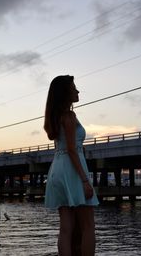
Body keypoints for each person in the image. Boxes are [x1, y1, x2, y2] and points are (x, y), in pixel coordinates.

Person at [44, 75, 99, 256]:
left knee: (66, 227)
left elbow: (61, 147)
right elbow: (71, 150)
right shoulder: (69, 116)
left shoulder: (55, 117)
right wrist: (84, 180)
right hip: (72, 169)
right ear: (64, 93)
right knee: (88, 226)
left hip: (57, 170)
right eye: (73, 87)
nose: (77, 91)